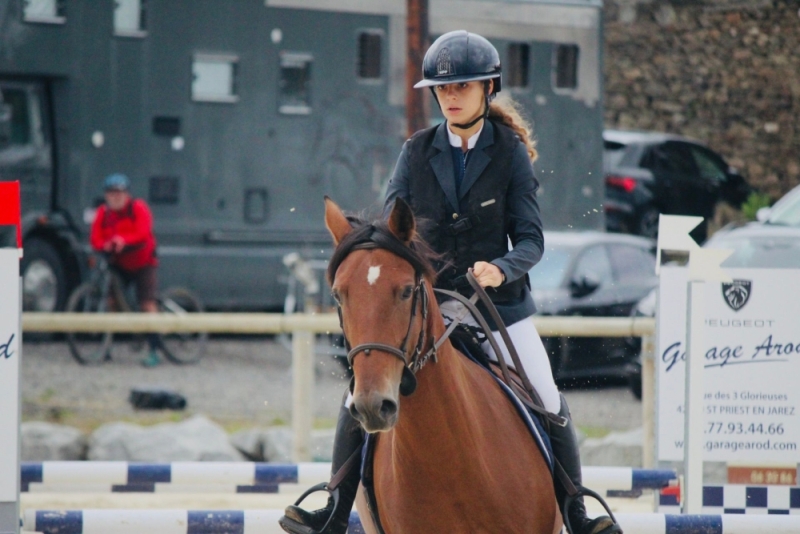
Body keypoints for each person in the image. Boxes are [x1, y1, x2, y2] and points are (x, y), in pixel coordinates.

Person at [280, 31, 620, 534]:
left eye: (461, 86)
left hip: (499, 307)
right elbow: (388, 226)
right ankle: (333, 504)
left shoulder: (509, 154)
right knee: (360, 395)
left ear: (487, 88)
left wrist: (502, 267)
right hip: (428, 303)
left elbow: (530, 239)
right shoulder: (416, 151)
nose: (451, 96)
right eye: (442, 89)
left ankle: (577, 507)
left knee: (547, 394)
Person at [89, 173, 161, 367]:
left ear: (127, 194)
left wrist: (123, 240)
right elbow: (95, 238)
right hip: (119, 263)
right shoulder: (103, 213)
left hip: (143, 262)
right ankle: (107, 348)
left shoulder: (138, 208)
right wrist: (106, 244)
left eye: (119, 193)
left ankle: (154, 350)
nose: (115, 197)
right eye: (111, 193)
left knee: (146, 304)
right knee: (111, 302)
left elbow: (143, 232)